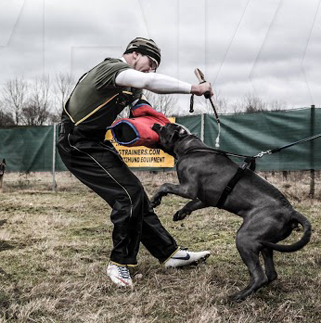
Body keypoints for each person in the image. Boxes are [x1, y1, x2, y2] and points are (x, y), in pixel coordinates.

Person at [57, 37, 214, 287]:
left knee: (136, 194)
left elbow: (141, 106)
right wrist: (193, 88)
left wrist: (163, 127)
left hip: (95, 141)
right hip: (75, 142)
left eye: (155, 67)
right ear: (134, 54)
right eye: (150, 62)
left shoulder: (132, 83)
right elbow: (148, 81)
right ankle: (119, 264)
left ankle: (169, 254)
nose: (151, 70)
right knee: (127, 195)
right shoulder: (112, 70)